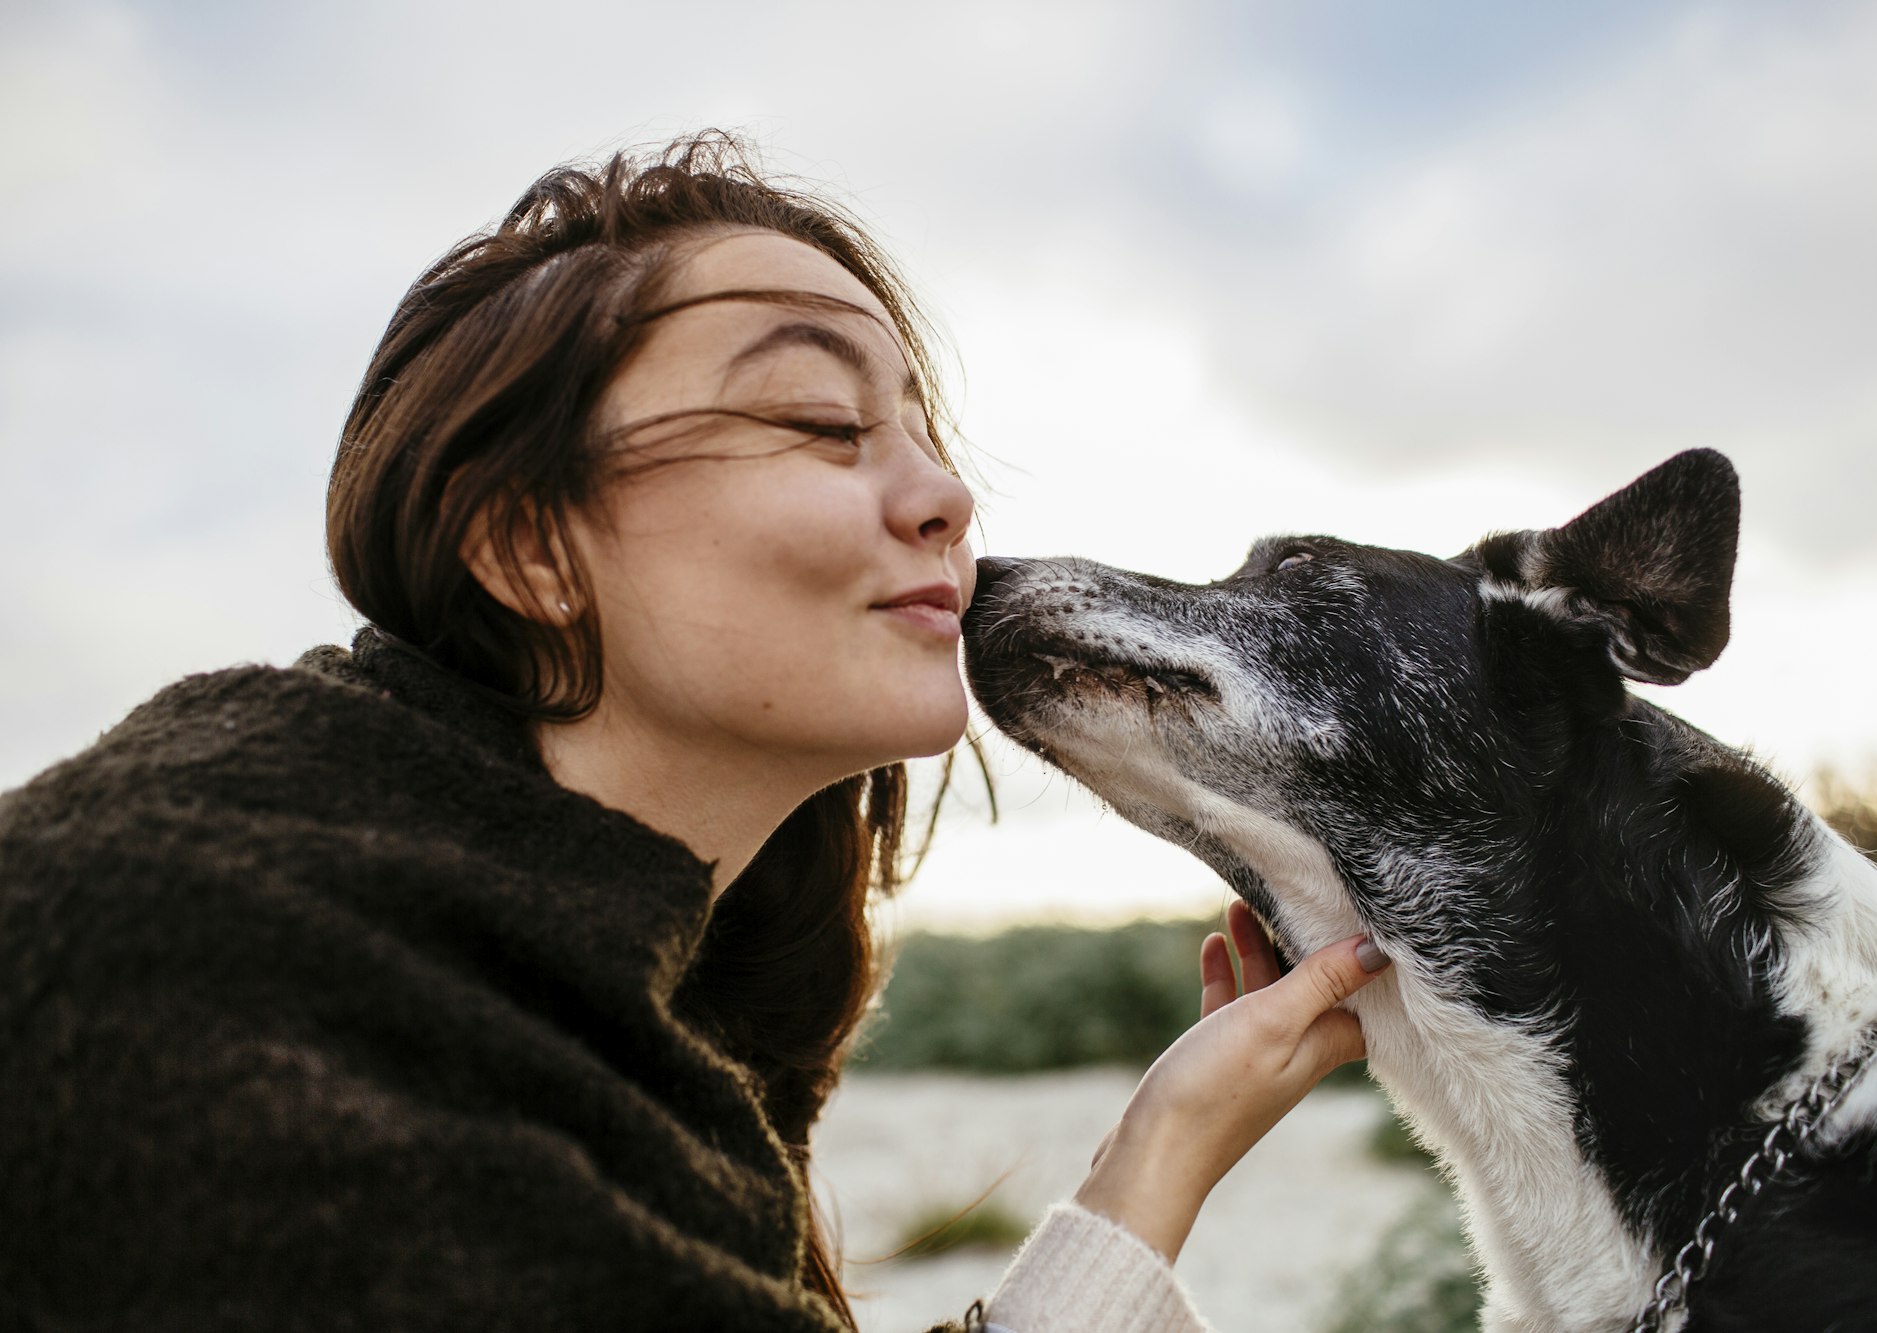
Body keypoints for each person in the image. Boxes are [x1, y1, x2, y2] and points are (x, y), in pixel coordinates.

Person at [0, 133, 1388, 1332]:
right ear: (526, 545)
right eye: (821, 419)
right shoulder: (193, 954)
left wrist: (1163, 1148)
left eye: (920, 429)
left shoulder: (633, 1007)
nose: (946, 496)